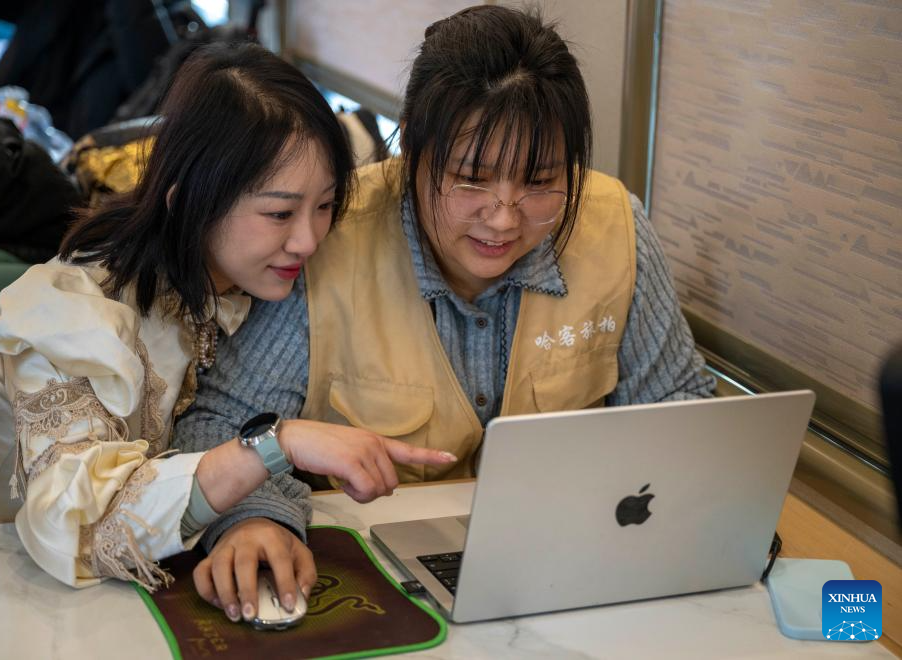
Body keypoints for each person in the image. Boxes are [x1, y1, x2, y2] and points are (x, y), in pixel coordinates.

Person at [174, 4, 716, 617]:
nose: (503, 218)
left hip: (571, 570)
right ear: (413, 144)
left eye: (540, 180)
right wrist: (255, 521)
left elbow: (680, 408)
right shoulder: (328, 239)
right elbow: (219, 422)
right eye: (471, 179)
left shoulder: (613, 223)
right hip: (372, 583)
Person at [0, 41, 455, 616]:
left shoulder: (252, 281)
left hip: (143, 587)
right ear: (189, 200)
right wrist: (279, 443)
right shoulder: (73, 311)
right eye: (279, 213)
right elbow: (80, 527)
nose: (308, 239)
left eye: (325, 205)